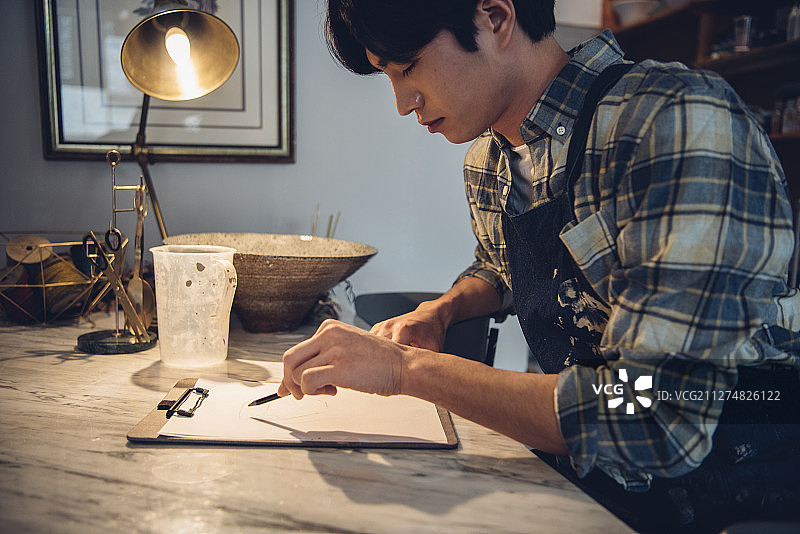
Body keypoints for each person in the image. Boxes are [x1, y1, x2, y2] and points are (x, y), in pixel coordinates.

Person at [278, 0, 800, 531]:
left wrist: (404, 370)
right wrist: (440, 312)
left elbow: (655, 415)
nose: (402, 102)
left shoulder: (674, 121)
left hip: (729, 490)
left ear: (497, 18)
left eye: (407, 65)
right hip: (587, 478)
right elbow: (500, 268)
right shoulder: (489, 159)